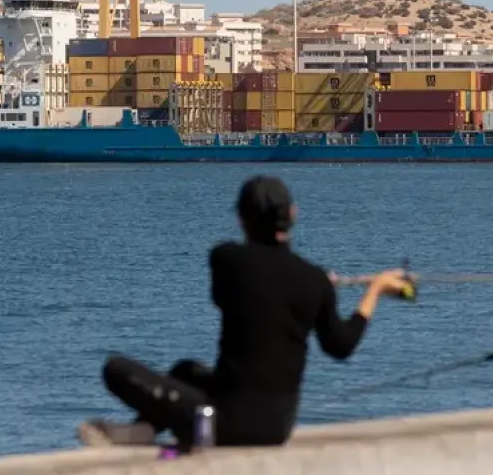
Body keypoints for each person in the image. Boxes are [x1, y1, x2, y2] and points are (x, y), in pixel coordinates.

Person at [78, 175, 412, 450]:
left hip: (225, 423)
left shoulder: (226, 260)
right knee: (185, 371)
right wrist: (375, 290)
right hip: (278, 427)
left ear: (241, 218)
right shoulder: (312, 280)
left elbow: (227, 293)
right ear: (293, 214)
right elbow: (341, 345)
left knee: (116, 369)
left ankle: (152, 434)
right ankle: (141, 434)